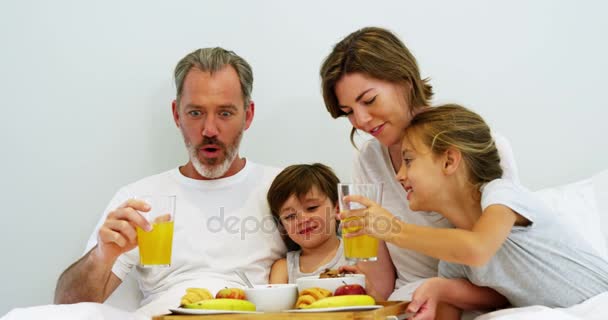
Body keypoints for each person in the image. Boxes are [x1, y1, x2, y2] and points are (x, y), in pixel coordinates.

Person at [53, 47, 286, 316]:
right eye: (196, 113)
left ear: (248, 115)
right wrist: (102, 256)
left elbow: (327, 267)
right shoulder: (140, 199)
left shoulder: (283, 191)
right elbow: (63, 310)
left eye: (224, 113)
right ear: (177, 114)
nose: (209, 130)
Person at [340, 104, 608, 319]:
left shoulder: (502, 194)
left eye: (408, 160)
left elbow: (478, 249)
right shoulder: (453, 259)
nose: (399, 175)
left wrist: (392, 229)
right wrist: (436, 291)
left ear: (449, 160)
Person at [319, 26, 520, 300]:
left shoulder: (481, 146)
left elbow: (510, 273)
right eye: (348, 112)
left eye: (369, 100)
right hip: (407, 302)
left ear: (405, 81)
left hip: (472, 302)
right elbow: (379, 283)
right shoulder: (369, 160)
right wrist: (350, 288)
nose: (361, 121)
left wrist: (441, 291)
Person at [266, 163, 391, 300]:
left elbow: (381, 303)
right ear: (282, 226)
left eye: (312, 208)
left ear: (337, 209)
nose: (302, 220)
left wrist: (367, 287)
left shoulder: (357, 254)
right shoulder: (284, 269)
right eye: (290, 216)